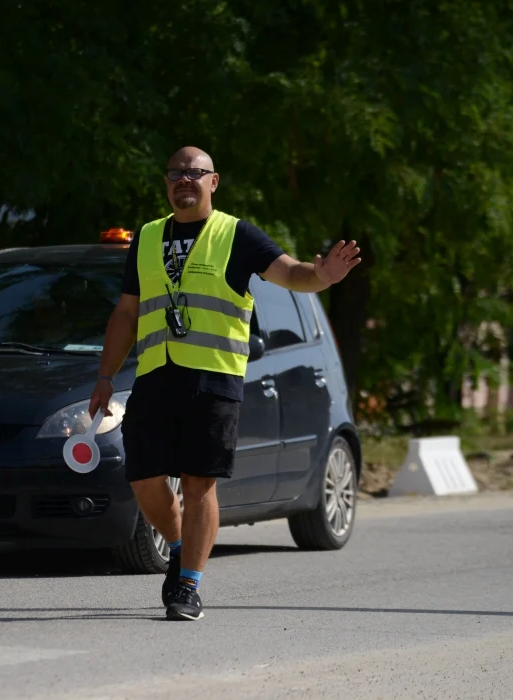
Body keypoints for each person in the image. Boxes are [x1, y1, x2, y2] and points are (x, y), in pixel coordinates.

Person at [89, 146, 361, 621]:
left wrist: (321, 275)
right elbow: (127, 312)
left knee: (198, 484)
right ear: (166, 181)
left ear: (214, 182)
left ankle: (188, 585)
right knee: (144, 480)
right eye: (176, 173)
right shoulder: (149, 236)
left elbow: (291, 273)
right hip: (156, 375)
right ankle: (178, 546)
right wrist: (105, 376)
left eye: (195, 173)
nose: (184, 180)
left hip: (213, 378)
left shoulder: (236, 234)